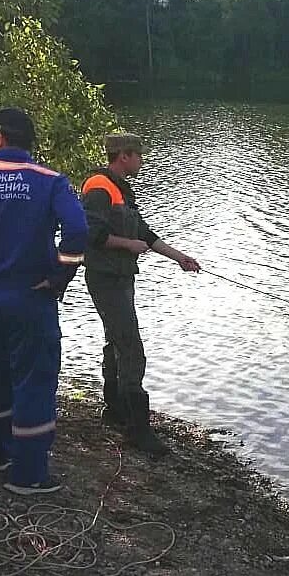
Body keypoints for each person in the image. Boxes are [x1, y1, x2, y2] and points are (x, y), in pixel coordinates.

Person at [0, 108, 87, 495]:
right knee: (33, 381)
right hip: (31, 299)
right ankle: (27, 475)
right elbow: (77, 231)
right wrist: (60, 276)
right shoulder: (50, 181)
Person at [81, 133, 200, 454]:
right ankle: (138, 431)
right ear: (125, 156)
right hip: (105, 278)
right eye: (139, 156)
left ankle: (115, 409)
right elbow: (91, 234)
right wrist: (128, 245)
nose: (141, 161)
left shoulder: (122, 188)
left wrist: (181, 259)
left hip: (121, 278)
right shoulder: (98, 186)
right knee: (131, 349)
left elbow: (145, 234)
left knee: (116, 340)